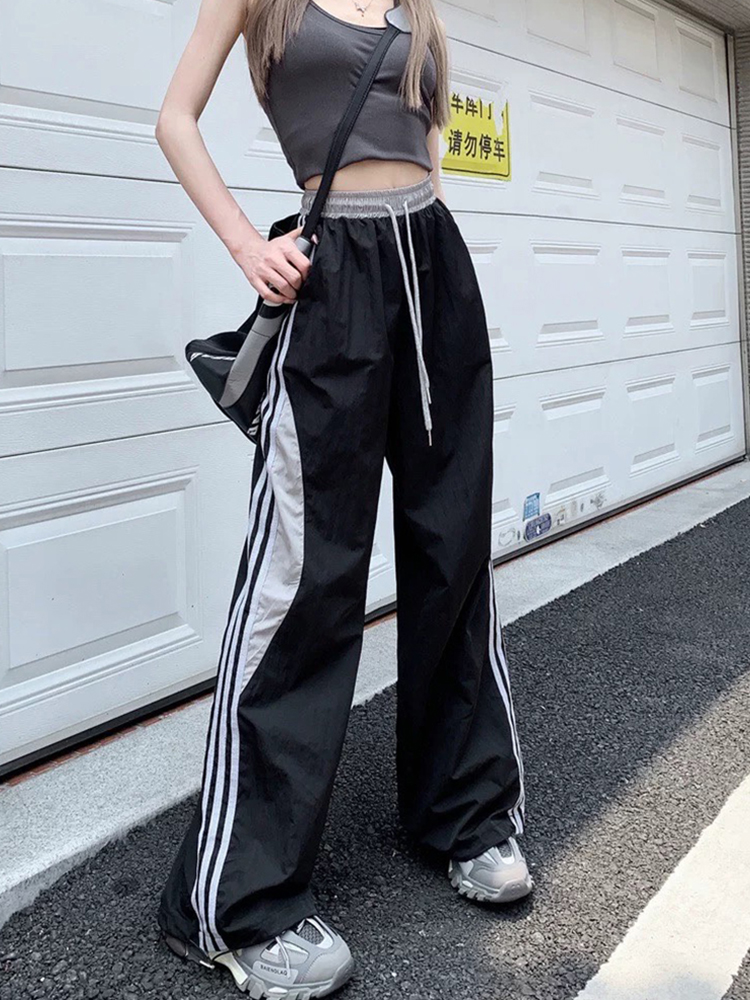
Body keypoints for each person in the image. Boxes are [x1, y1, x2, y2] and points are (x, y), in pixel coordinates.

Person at [154, 0, 530, 994]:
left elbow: (427, 144)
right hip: (330, 281)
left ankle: (463, 815)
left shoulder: (416, 8)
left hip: (433, 268)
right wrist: (248, 245)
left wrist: (431, 244)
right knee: (306, 578)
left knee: (453, 550)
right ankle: (236, 902)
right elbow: (174, 119)